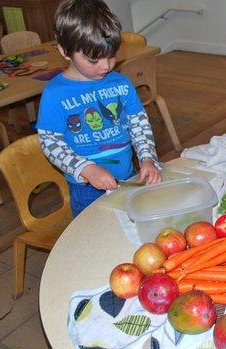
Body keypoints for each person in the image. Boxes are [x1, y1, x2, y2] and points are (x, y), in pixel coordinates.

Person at [37, 0, 162, 217]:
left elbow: (139, 126)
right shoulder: (55, 93)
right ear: (65, 51)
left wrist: (147, 158)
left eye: (111, 55)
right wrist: (85, 168)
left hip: (129, 177)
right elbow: (50, 143)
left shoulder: (121, 84)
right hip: (86, 189)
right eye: (93, 60)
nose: (106, 66)